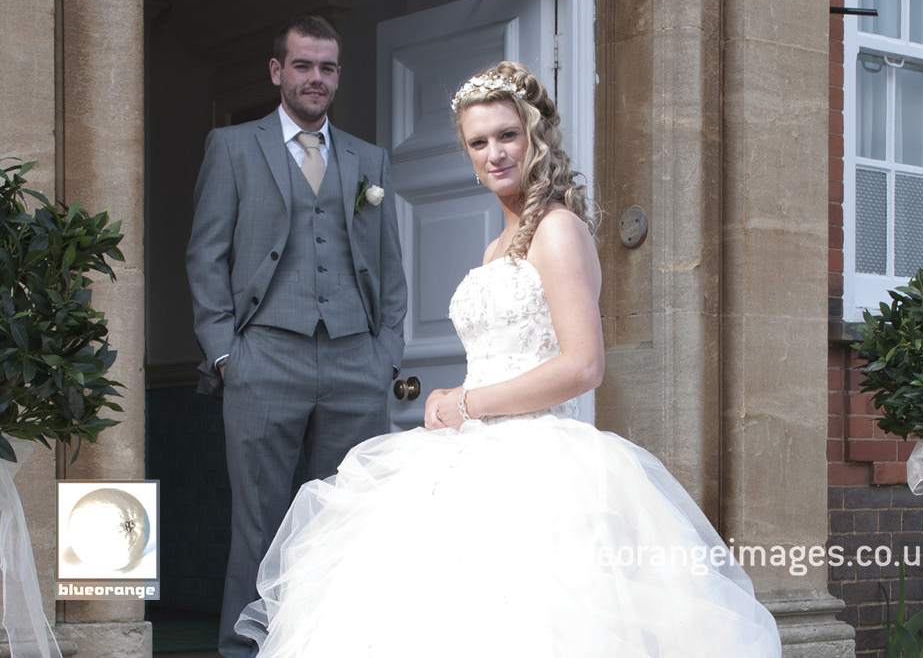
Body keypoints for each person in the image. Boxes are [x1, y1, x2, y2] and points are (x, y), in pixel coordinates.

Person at [234, 61, 781, 657]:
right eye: (478, 142)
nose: (493, 153)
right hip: (470, 454)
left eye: (506, 135)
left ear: (534, 136)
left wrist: (464, 402)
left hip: (541, 462)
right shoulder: (499, 243)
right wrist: (461, 407)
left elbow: (582, 366)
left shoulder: (558, 229)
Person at [185, 15, 407, 658]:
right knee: (257, 523)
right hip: (263, 358)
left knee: (346, 520)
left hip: (354, 360)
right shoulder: (231, 148)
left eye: (328, 67)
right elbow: (206, 258)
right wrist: (226, 353)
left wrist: (384, 354)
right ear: (277, 70)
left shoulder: (370, 159)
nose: (317, 78)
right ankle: (242, 650)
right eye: (304, 65)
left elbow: (390, 263)